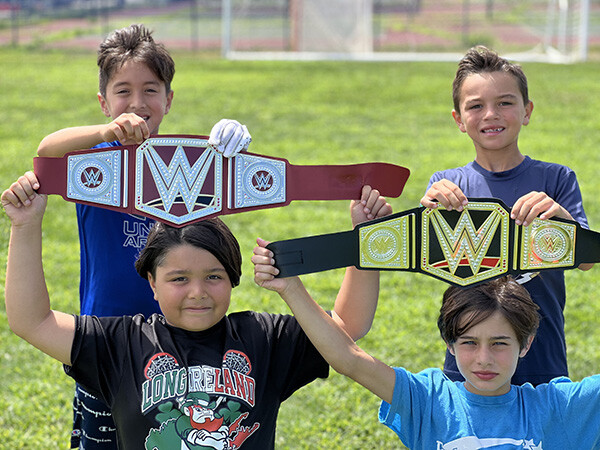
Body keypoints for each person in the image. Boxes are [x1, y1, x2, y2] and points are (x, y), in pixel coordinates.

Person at [2, 170, 390, 449]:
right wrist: (25, 225)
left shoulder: (263, 338)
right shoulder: (120, 343)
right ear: (152, 283)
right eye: (179, 279)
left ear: (233, 278)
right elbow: (31, 321)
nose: (197, 293)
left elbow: (347, 327)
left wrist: (366, 238)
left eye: (214, 276)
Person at [35, 24, 252, 448]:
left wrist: (230, 144)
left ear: (168, 100)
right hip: (105, 340)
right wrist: (104, 133)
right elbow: (46, 152)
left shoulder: (189, 165)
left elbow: (233, 190)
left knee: (170, 437)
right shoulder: (92, 161)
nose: (137, 103)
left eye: (150, 90)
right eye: (123, 91)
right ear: (103, 102)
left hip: (178, 338)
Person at [252, 244, 600, 448]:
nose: (484, 359)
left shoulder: (557, 409)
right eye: (469, 342)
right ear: (450, 343)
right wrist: (291, 289)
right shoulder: (430, 400)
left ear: (526, 344)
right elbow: (349, 358)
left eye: (499, 344)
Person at [420, 45, 593, 386]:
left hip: (542, 356)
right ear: (458, 119)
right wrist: (430, 214)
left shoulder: (556, 179)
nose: (491, 114)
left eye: (505, 103)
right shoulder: (448, 185)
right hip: (469, 360)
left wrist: (560, 218)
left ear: (527, 111)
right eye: (476, 106)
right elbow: (427, 255)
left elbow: (586, 260)